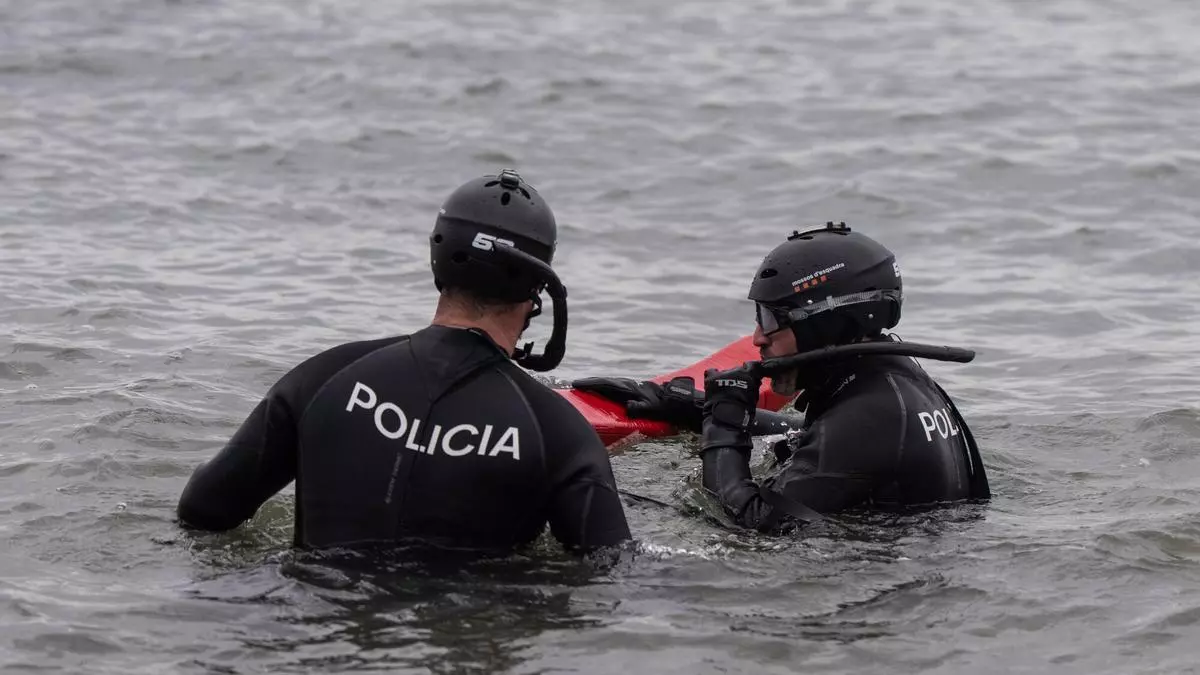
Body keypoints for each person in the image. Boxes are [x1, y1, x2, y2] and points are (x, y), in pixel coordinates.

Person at [177, 169, 631, 553]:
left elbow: (203, 511)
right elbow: (613, 573)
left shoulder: (324, 377)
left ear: (438, 259)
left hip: (317, 618)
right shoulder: (557, 432)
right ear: (537, 289)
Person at [574, 222, 989, 531]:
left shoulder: (871, 413)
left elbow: (749, 523)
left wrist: (722, 429)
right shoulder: (892, 381)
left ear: (825, 324)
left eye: (773, 319)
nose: (758, 338)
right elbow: (815, 438)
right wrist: (694, 408)